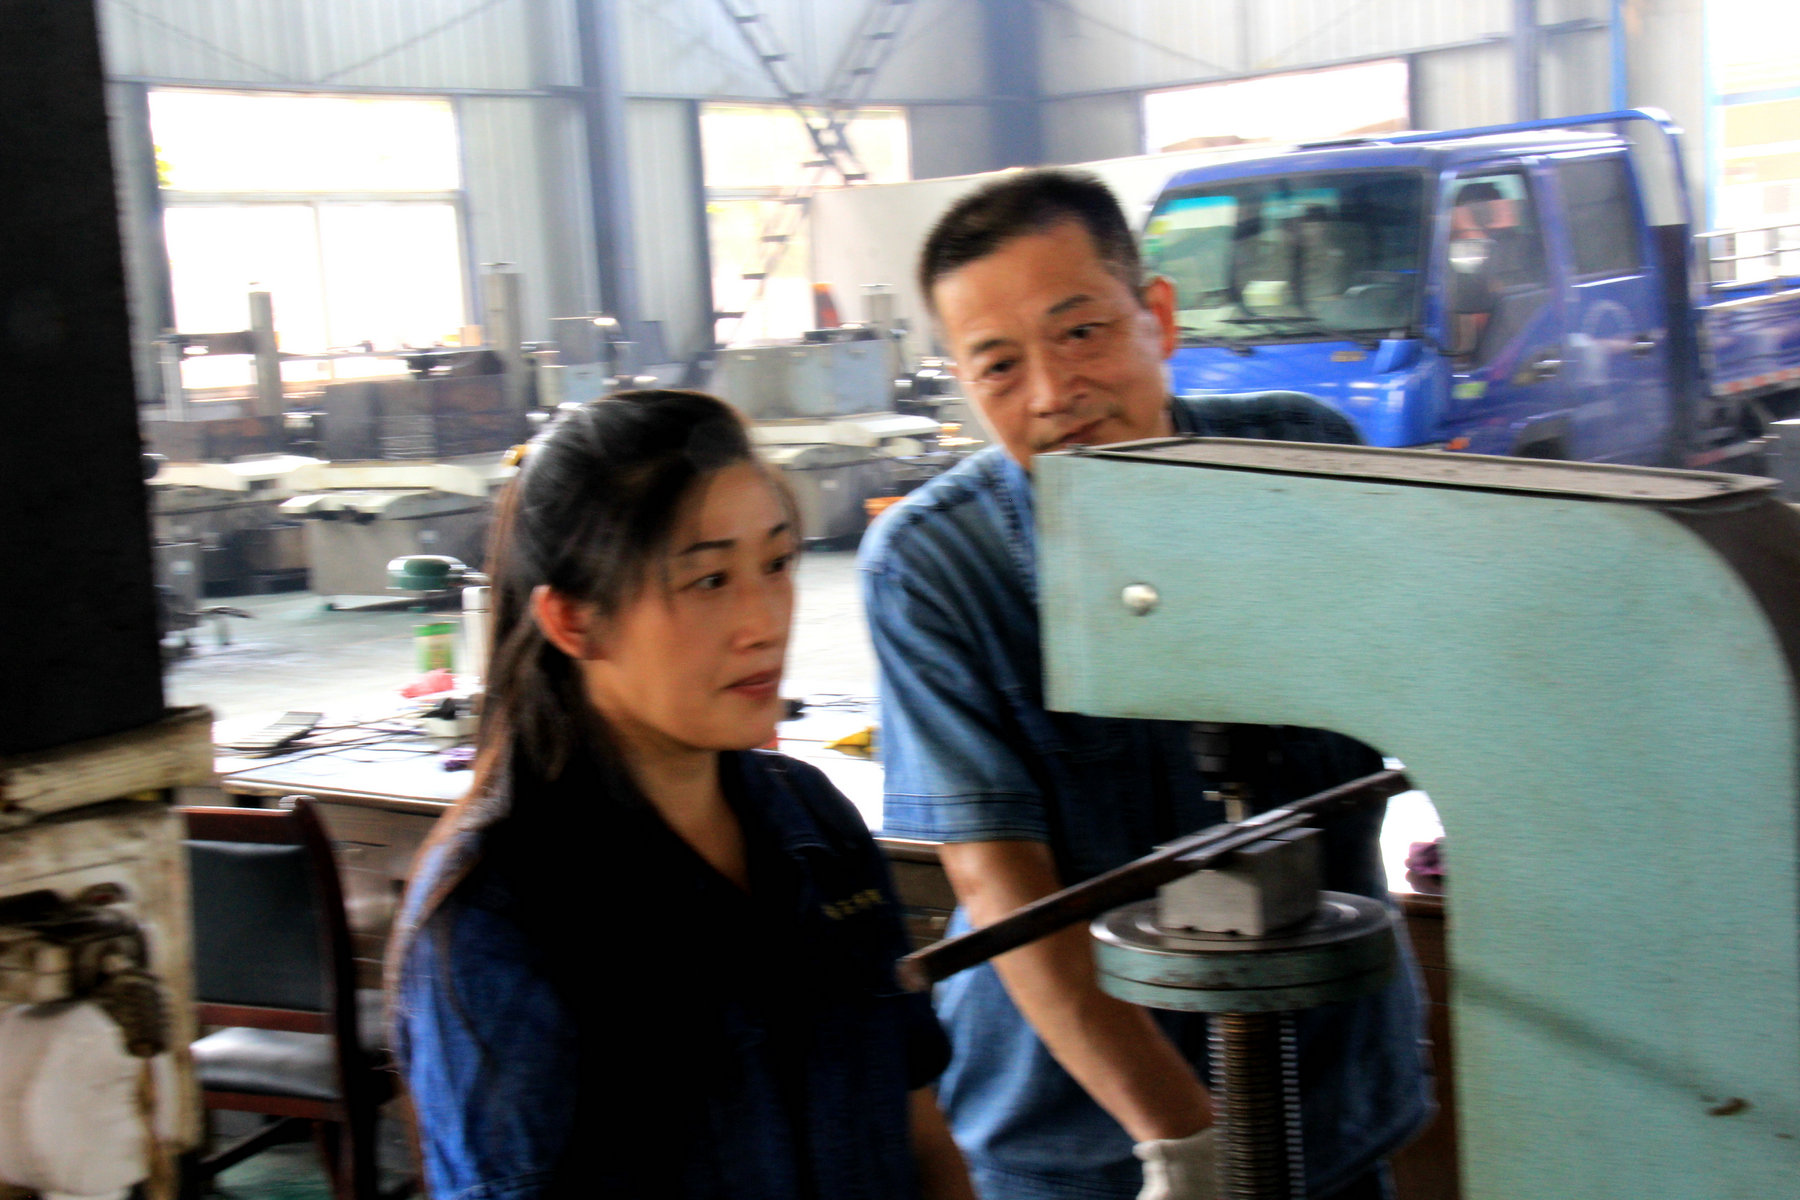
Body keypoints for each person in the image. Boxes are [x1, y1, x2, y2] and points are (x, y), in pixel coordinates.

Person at [860, 171, 1431, 1200]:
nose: (1051, 393)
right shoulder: (936, 567)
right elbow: (1000, 883)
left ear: (1155, 317)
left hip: (1329, 1110)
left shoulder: (1303, 465)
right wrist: (1184, 1144)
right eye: (1000, 365)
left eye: (1080, 333)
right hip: (1085, 1147)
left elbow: (1443, 703)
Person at [390, 390, 975, 1200]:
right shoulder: (501, 918)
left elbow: (922, 1135)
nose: (763, 621)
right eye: (708, 580)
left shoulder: (813, 824)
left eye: (776, 564)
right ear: (574, 621)